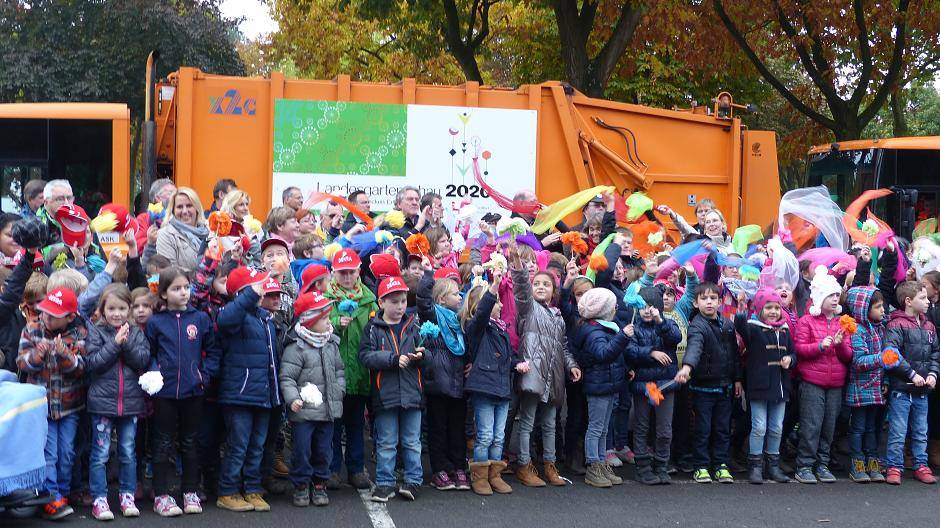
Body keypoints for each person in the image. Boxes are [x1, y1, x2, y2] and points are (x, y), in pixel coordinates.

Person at [145, 267, 220, 517]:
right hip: (165, 393)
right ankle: (162, 494)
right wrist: (154, 374)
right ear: (164, 294)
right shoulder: (156, 322)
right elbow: (150, 353)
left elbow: (212, 350)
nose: (184, 293)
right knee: (163, 443)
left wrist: (204, 377)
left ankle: (190, 491)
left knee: (190, 443)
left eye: (186, 287)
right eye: (176, 288)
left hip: (193, 391)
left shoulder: (200, 319)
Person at [509, 243, 580, 488]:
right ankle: (524, 465)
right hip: (533, 374)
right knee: (527, 421)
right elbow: (520, 288)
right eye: (536, 284)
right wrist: (517, 265)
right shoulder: (528, 309)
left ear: (553, 291)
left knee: (550, 423)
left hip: (554, 376)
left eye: (546, 284)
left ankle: (549, 465)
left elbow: (563, 346)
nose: (540, 287)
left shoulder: (558, 317)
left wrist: (571, 365)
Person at [16, 286, 88, 520]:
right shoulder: (31, 329)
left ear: (69, 317)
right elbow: (22, 363)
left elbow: (81, 370)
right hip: (41, 407)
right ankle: (51, 496)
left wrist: (63, 354)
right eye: (44, 311)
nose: (45, 317)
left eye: (53, 315)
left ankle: (62, 493)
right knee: (49, 454)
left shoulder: (78, 333)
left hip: (69, 407)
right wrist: (38, 354)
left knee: (67, 452)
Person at [215, 267, 281, 512]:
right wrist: (250, 294)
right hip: (239, 394)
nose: (262, 292)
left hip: (263, 394)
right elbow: (225, 319)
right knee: (238, 445)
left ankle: (253, 488)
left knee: (257, 445)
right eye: (255, 288)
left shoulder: (265, 318)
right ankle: (228, 490)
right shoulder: (234, 314)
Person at [85, 284, 150, 520]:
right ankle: (99, 498)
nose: (116, 313)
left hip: (130, 403)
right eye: (111, 308)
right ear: (103, 310)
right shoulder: (95, 331)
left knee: (128, 452)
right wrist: (115, 344)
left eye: (122, 308)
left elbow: (142, 360)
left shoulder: (136, 333)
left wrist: (126, 342)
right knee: (100, 453)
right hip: (102, 403)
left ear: (129, 310)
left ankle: (127, 495)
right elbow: (93, 362)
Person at [359, 275, 425, 503]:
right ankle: (385, 483)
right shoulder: (373, 328)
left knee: (412, 441)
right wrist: (392, 359)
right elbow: (365, 356)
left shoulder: (413, 325)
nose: (400, 306)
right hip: (385, 395)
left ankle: (413, 481)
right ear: (381, 303)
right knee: (386, 442)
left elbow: (428, 353)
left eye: (403, 301)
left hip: (412, 393)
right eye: (394, 301)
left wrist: (422, 355)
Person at [279, 291, 345, 507]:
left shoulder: (331, 343)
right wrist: (293, 399)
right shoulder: (296, 347)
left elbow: (339, 372)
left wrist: (339, 391)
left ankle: (319, 483)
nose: (329, 322)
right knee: (302, 449)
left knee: (324, 449)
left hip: (327, 410)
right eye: (324, 318)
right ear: (309, 321)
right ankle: (300, 484)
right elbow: (287, 377)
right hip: (304, 412)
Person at [461, 272, 524, 495]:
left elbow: (506, 357)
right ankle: (479, 476)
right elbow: (481, 315)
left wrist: (517, 364)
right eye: (496, 301)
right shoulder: (477, 329)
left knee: (498, 436)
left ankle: (494, 474)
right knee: (485, 435)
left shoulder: (501, 330)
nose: (499, 304)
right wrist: (494, 287)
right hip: (484, 389)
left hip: (501, 389)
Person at [674, 282, 742, 484]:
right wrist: (687, 367)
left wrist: (737, 378)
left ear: (720, 302)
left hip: (725, 387)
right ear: (696, 303)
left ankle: (721, 464)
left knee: (722, 427)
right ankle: (701, 465)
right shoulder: (697, 325)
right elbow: (694, 347)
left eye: (713, 298)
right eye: (704, 298)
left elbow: (734, 355)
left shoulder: (728, 325)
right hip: (703, 388)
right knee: (703, 428)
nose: (709, 302)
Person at [792, 266, 852, 484]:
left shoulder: (842, 323)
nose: (835, 299)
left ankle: (823, 463)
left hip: (835, 382)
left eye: (837, 295)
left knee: (829, 425)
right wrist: (820, 346)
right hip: (812, 382)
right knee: (812, 424)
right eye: (830, 295)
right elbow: (800, 349)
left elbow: (848, 355)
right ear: (820, 298)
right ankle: (805, 464)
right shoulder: (806, 321)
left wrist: (839, 346)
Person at [323, 249, 376, 490]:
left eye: (351, 272)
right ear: (334, 273)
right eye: (342, 273)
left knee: (355, 424)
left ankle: (356, 469)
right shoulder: (325, 297)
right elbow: (315, 325)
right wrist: (335, 324)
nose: (346, 277)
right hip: (333, 373)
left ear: (358, 272)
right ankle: (332, 469)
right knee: (333, 425)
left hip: (360, 373)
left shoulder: (369, 300)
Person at [415, 259, 469, 491]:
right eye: (455, 294)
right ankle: (439, 469)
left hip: (458, 383)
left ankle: (458, 466)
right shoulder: (433, 316)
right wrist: (429, 273)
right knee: (437, 428)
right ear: (440, 299)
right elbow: (423, 300)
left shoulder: (460, 322)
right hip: (438, 383)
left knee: (457, 428)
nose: (460, 297)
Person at [735, 288, 796, 485]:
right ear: (760, 309)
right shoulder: (753, 328)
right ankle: (755, 465)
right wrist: (742, 307)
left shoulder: (785, 330)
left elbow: (794, 353)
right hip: (760, 386)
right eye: (768, 307)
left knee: (776, 427)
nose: (773, 311)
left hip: (780, 387)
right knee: (759, 426)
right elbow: (740, 325)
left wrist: (789, 359)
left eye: (777, 308)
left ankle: (773, 465)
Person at [883, 281, 940, 485]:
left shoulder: (929, 326)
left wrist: (933, 374)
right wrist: (912, 374)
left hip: (923, 389)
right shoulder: (895, 324)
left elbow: (935, 353)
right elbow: (891, 354)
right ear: (908, 301)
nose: (927, 301)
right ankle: (894, 466)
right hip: (902, 389)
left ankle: (920, 465)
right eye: (922, 298)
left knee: (920, 430)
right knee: (898, 430)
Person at [625, 287, 682, 485]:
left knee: (664, 428)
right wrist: (651, 353)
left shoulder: (667, 324)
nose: (647, 310)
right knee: (642, 425)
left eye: (651, 306)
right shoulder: (634, 327)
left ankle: (661, 464)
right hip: (646, 385)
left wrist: (660, 321)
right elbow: (630, 351)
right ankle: (642, 467)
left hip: (665, 384)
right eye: (643, 306)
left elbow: (675, 338)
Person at [573, 288, 629, 488]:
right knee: (596, 427)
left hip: (608, 383)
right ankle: (593, 465)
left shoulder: (606, 327)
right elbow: (603, 354)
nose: (615, 307)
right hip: (598, 385)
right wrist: (623, 336)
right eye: (612, 305)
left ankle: (601, 461)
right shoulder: (595, 331)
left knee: (604, 428)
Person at [844, 285, 888, 483]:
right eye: (878, 307)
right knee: (859, 428)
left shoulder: (881, 328)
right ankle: (857, 463)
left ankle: (872, 461)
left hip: (877, 388)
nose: (883, 311)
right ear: (863, 308)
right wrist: (882, 358)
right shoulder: (858, 331)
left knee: (872, 428)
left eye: (882, 306)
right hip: (860, 388)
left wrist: (885, 379)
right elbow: (859, 361)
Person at [152, 187, 209, 273]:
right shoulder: (166, 235)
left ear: (196, 208)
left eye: (189, 206)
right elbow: (169, 271)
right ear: (173, 211)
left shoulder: (210, 232)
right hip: (185, 286)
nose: (185, 211)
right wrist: (203, 276)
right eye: (179, 207)